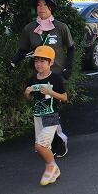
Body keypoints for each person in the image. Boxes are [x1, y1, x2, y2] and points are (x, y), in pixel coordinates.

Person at [10, 0, 74, 157]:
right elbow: (22, 49)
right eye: (38, 5)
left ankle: (56, 143)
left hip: (56, 75)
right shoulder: (30, 29)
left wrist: (68, 68)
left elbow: (71, 48)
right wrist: (12, 63)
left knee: (53, 110)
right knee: (45, 110)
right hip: (39, 75)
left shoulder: (61, 27)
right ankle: (48, 142)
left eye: (45, 5)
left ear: (51, 7)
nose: (41, 8)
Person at [24, 46, 67, 186]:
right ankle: (55, 169)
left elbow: (64, 97)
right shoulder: (32, 79)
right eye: (36, 61)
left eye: (43, 61)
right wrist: (27, 93)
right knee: (42, 147)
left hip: (51, 116)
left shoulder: (55, 78)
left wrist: (51, 92)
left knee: (40, 145)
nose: (39, 64)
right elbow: (30, 98)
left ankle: (51, 166)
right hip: (38, 116)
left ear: (51, 62)